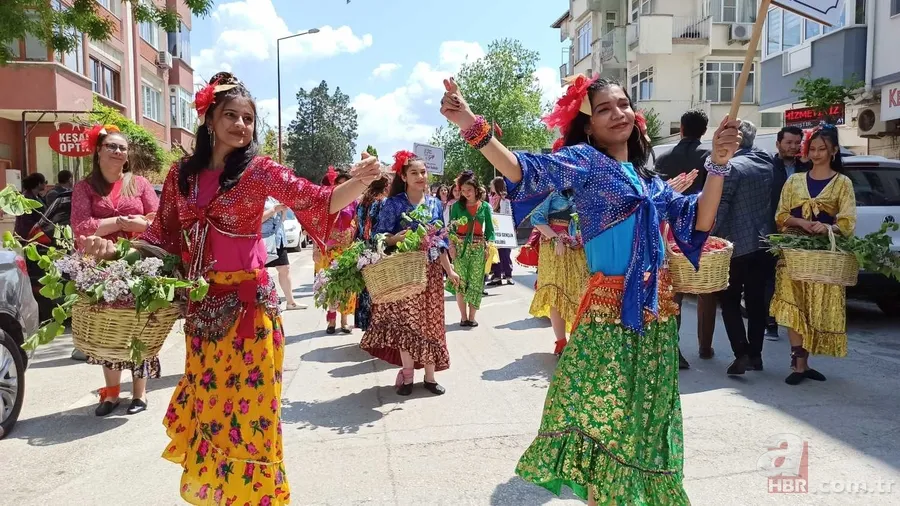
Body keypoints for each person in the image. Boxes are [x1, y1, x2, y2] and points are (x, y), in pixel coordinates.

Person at [79, 72, 381, 505]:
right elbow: (162, 240)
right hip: (204, 318)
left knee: (253, 418)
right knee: (212, 415)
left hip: (251, 316)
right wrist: (111, 252)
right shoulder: (181, 175)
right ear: (209, 120)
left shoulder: (258, 171)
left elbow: (316, 199)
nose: (242, 125)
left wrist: (361, 182)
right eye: (232, 116)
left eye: (249, 118)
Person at [440, 73, 741, 504]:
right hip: (608, 311)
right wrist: (472, 124)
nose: (617, 113)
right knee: (602, 416)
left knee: (646, 419)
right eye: (603, 108)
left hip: (656, 319)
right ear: (588, 126)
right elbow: (523, 168)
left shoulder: (649, 181)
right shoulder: (585, 162)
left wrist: (719, 164)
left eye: (622, 104)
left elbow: (700, 223)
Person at [69, 125, 160, 416]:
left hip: (139, 263)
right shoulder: (84, 187)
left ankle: (140, 394)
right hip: (100, 267)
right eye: (112, 146)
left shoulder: (140, 184)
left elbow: (157, 222)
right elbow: (81, 228)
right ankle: (110, 395)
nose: (118, 151)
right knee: (109, 329)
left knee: (139, 327)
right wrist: (120, 222)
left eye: (122, 147)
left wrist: (138, 226)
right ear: (98, 151)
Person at [360, 150, 460, 396]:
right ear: (403, 177)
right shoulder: (393, 204)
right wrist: (395, 238)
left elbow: (440, 241)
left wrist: (451, 271)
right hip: (405, 272)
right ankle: (407, 377)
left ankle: (430, 376)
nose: (420, 176)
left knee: (431, 324)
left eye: (423, 172)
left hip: (432, 273)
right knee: (407, 325)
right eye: (413, 172)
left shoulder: (435, 203)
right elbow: (378, 237)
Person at [770, 124, 856, 386]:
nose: (816, 154)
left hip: (823, 256)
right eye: (813, 149)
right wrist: (801, 223)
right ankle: (798, 364)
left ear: (834, 151)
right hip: (794, 253)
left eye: (822, 149)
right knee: (793, 305)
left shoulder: (842, 183)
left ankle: (805, 362)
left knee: (814, 307)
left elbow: (848, 222)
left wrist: (829, 227)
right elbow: (781, 216)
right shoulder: (794, 180)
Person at [654, 108, 716, 370]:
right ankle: (705, 346)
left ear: (680, 128)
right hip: (701, 227)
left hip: (668, 230)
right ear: (704, 131)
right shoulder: (709, 159)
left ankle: (674, 348)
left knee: (673, 292)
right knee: (707, 291)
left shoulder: (663, 156)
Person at [712, 120, 776, 375]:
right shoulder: (766, 163)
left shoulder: (731, 168)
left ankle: (741, 352)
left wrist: (709, 234)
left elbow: (722, 204)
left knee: (728, 299)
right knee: (756, 301)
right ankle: (757, 355)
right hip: (764, 243)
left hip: (736, 244)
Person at [528, 189, 589, 356]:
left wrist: (580, 238)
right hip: (554, 248)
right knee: (556, 293)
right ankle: (561, 342)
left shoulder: (584, 191)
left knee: (580, 293)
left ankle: (577, 339)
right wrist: (556, 238)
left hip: (577, 247)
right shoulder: (551, 192)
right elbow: (537, 218)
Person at [766, 126, 812, 340]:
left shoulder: (807, 168)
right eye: (789, 143)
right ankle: (771, 322)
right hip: (774, 230)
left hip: (803, 231)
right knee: (772, 278)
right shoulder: (768, 167)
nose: (793, 147)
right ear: (778, 144)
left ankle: (798, 323)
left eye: (797, 143)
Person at [445, 170, 494, 327]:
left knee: (475, 283)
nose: (466, 194)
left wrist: (489, 246)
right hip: (460, 249)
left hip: (479, 248)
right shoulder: (457, 207)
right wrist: (451, 246)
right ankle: (463, 317)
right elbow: (451, 228)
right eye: (463, 190)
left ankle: (472, 317)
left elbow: (490, 230)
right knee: (460, 282)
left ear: (476, 189)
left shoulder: (485, 207)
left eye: (469, 190)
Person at [314, 167, 358, 333]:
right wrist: (317, 248)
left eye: (346, 183)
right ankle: (331, 320)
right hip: (330, 251)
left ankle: (344, 321)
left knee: (346, 286)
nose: (343, 186)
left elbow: (357, 223)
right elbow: (319, 225)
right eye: (339, 183)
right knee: (331, 285)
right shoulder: (328, 202)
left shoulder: (354, 203)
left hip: (347, 251)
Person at [354, 173, 390, 331]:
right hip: (377, 250)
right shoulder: (382, 202)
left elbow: (358, 226)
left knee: (365, 288)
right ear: (385, 186)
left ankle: (365, 324)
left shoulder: (362, 202)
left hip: (362, 248)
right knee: (379, 289)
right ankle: (377, 328)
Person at [262, 196, 306, 310]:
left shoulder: (274, 199)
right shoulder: (256, 198)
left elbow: (282, 219)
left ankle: (290, 302)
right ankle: (264, 302)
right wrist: (274, 210)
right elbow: (257, 219)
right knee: (262, 271)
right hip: (263, 239)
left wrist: (284, 210)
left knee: (284, 268)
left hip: (278, 238)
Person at [488, 177, 514, 286]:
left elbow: (506, 214)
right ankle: (497, 276)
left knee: (505, 253)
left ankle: (508, 275)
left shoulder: (505, 200)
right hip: (495, 228)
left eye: (492, 184)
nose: (490, 187)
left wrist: (503, 201)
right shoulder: (491, 199)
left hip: (504, 229)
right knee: (495, 252)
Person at [14, 173, 47, 239]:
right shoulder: (26, 198)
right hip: (27, 235)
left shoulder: (36, 196)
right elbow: (26, 220)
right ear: (39, 184)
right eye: (45, 182)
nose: (45, 184)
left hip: (34, 233)